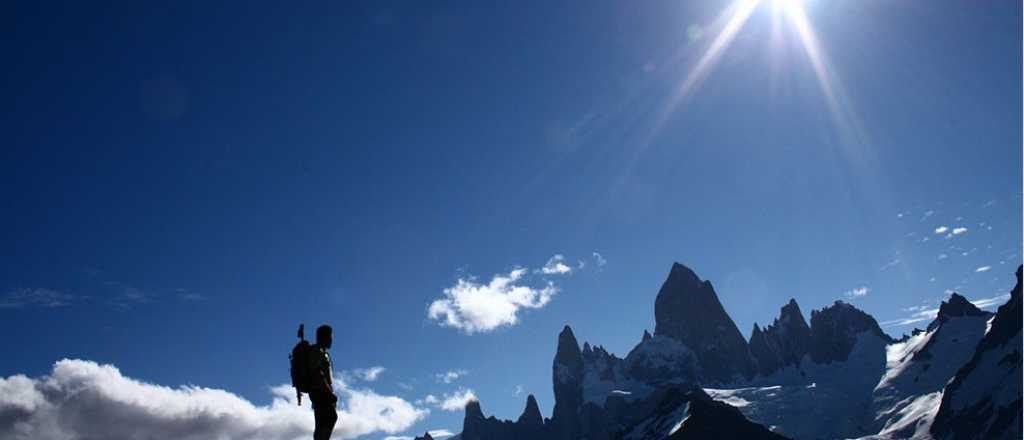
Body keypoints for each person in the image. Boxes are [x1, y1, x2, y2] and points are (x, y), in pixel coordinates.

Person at [309, 324, 338, 440]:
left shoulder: (322, 352)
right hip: (320, 391)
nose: (332, 340)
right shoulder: (316, 351)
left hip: (321, 391)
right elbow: (317, 373)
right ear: (325, 337)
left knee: (322, 421)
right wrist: (328, 392)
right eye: (330, 337)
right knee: (330, 417)